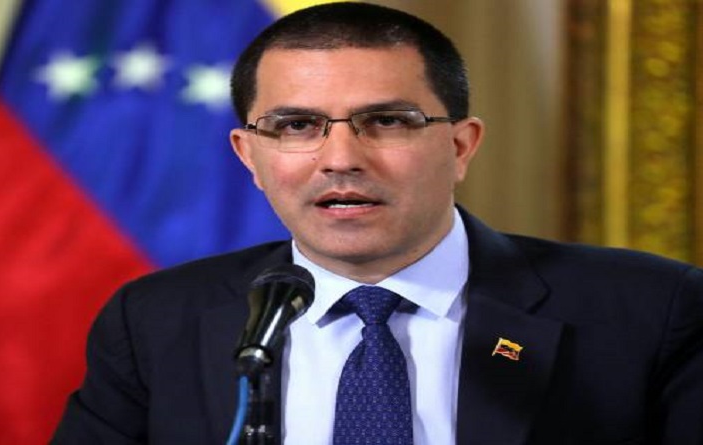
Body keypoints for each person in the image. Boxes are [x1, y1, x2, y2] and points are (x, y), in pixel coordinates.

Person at [52, 2, 703, 444]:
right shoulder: (155, 320)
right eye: (296, 126)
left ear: (461, 146)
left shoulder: (652, 311)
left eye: (387, 121)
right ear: (249, 157)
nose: (340, 158)